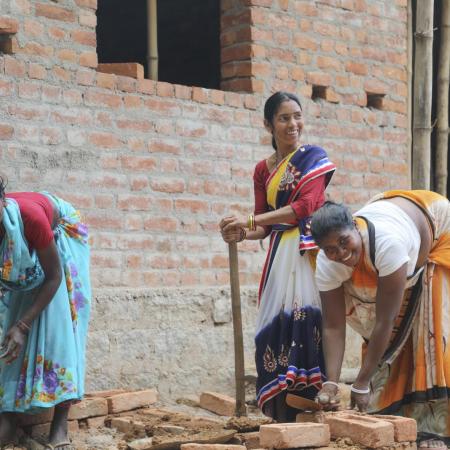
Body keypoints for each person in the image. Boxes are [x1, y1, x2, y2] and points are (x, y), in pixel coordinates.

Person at [219, 91, 335, 421]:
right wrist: (242, 231)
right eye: (284, 118)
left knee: (307, 321)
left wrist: (251, 220)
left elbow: (304, 208)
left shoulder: (314, 157)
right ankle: (281, 410)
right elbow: (263, 226)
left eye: (297, 116)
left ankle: (313, 403)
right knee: (274, 328)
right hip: (278, 259)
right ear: (268, 124)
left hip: (309, 251)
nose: (292, 124)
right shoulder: (262, 170)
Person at [311, 190, 450, 450]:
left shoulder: (388, 244)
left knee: (429, 329)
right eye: (330, 249)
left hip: (439, 226)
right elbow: (332, 326)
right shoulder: (327, 263)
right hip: (394, 219)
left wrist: (361, 382)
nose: (340, 253)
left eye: (344, 242)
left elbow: (385, 322)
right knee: (395, 335)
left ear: (354, 226)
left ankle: (434, 427)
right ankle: (397, 412)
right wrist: (331, 381)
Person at [0, 179, 91, 450]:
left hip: (60, 233)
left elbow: (53, 276)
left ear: (2, 202)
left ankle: (60, 424)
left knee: (59, 327)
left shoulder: (29, 218)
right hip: (27, 248)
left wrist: (23, 325)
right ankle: (12, 412)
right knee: (13, 326)